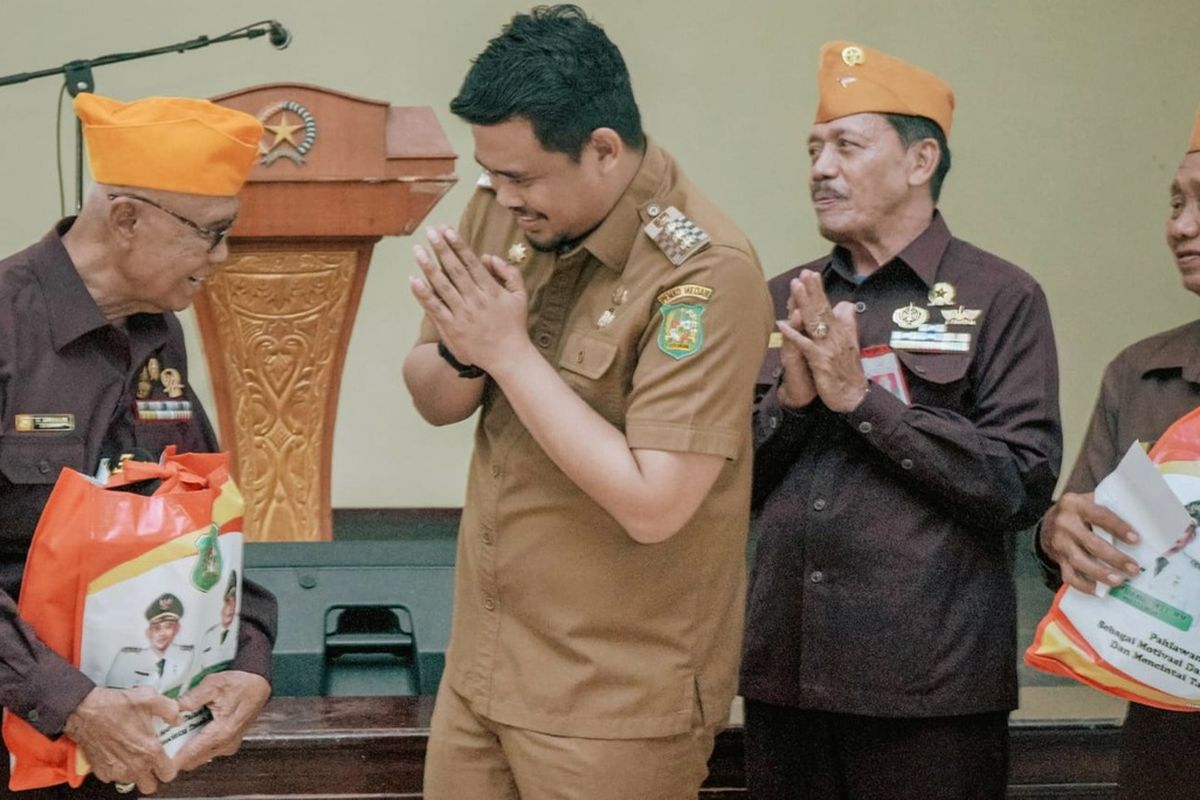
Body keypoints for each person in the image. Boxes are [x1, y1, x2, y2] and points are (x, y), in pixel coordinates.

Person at [401, 6, 772, 798]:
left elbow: (654, 504)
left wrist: (508, 352)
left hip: (612, 702)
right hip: (482, 672)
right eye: (491, 172)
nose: (502, 195)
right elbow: (434, 397)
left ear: (604, 149)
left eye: (523, 177)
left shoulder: (704, 274)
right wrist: (465, 349)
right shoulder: (503, 208)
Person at [740, 41, 1062, 799]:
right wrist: (792, 406)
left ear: (921, 161)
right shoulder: (782, 298)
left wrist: (864, 403)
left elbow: (1020, 485)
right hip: (785, 683)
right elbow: (726, 487)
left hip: (929, 694)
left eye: (846, 146)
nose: (820, 169)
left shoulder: (999, 296)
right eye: (813, 150)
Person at [0, 93, 279, 797]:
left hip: (116, 743)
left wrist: (247, 656)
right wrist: (71, 702)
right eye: (211, 233)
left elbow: (202, 515)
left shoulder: (158, 334)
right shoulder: (6, 326)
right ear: (126, 219)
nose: (222, 256)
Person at [1038, 102, 1200, 800]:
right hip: (1172, 752)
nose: (1181, 226)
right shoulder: (1142, 374)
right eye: (1176, 202)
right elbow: (1077, 525)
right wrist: (1058, 532)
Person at [105, 593, 195, 696]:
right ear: (148, 632)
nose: (162, 633)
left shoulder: (189, 655)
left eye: (168, 627)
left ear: (177, 629)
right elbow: (112, 695)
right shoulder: (127, 658)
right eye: (157, 628)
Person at [197, 572, 240, 671]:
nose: (230, 607)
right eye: (226, 601)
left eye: (233, 601)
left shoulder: (244, 631)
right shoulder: (209, 635)